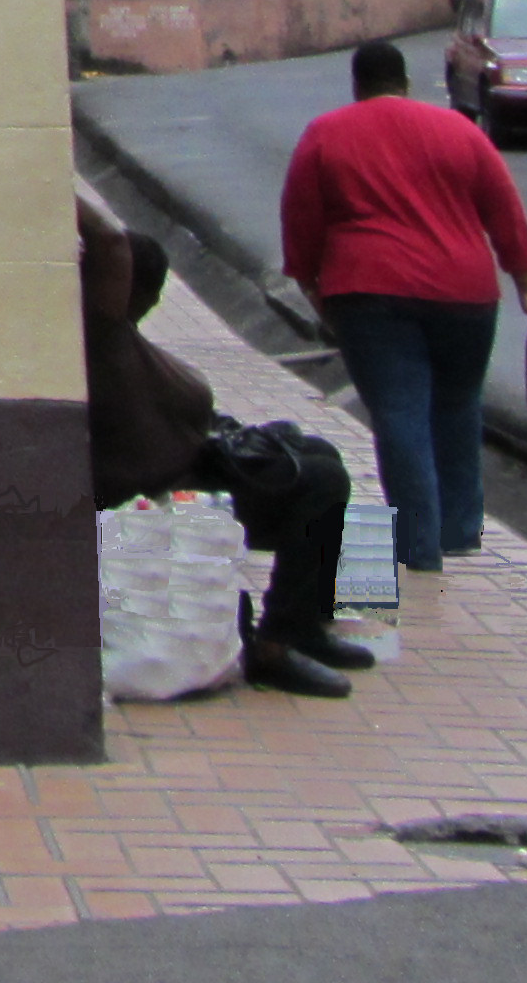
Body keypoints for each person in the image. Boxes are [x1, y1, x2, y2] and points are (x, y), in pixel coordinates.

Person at [76, 192, 376, 697]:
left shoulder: (118, 337)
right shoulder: (99, 333)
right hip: (165, 485)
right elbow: (109, 242)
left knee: (318, 455)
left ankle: (307, 623)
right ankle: (275, 645)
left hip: (191, 461)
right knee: (319, 481)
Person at [280, 38, 527, 575]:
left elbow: (301, 220)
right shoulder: (460, 131)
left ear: (357, 87)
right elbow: (505, 209)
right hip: (466, 293)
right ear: (404, 83)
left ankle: (418, 546)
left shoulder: (326, 134)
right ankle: (458, 530)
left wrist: (314, 288)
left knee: (401, 412)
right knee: (457, 403)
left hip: (370, 293)